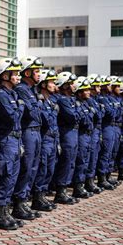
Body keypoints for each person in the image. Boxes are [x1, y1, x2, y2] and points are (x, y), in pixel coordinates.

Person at [0, 57, 24, 230]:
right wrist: (21, 107)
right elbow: (13, 117)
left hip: (15, 139)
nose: (18, 76)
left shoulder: (13, 94)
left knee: (11, 178)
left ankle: (6, 212)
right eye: (15, 73)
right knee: (4, 177)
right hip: (5, 140)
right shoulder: (2, 95)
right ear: (5, 76)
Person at [12, 56, 44, 220]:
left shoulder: (32, 90)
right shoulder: (22, 89)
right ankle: (18, 204)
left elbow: (38, 111)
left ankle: (24, 201)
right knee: (26, 168)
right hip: (28, 131)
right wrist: (37, 105)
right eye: (36, 71)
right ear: (27, 72)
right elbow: (32, 112)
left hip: (36, 131)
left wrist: (36, 105)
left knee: (33, 168)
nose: (39, 74)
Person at [31, 69, 59, 212]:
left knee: (50, 168)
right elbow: (46, 120)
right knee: (42, 169)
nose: (54, 85)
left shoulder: (50, 100)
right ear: (43, 84)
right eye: (51, 82)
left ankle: (42, 195)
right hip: (44, 138)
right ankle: (37, 197)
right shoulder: (40, 100)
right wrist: (53, 110)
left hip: (52, 138)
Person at [52, 72, 81, 205]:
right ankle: (60, 191)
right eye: (71, 83)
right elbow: (72, 116)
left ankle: (65, 189)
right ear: (65, 85)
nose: (74, 86)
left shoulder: (71, 100)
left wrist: (77, 113)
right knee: (66, 161)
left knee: (71, 162)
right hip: (67, 133)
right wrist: (78, 113)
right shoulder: (62, 100)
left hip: (73, 132)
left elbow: (79, 116)